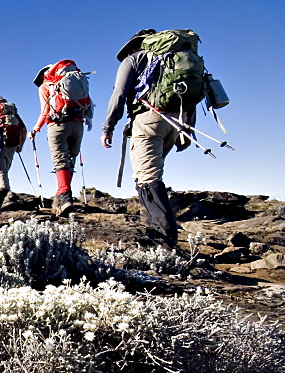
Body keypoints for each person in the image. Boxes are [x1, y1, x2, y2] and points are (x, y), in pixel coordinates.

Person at [101, 29, 192, 245]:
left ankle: (165, 238)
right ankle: (153, 227)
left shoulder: (133, 59)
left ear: (134, 45)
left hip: (148, 120)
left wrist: (108, 127)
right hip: (178, 120)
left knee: (147, 177)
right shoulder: (175, 59)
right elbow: (189, 94)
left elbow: (120, 94)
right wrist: (187, 129)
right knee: (152, 173)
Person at [31, 61, 92, 217]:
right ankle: (61, 196)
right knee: (70, 159)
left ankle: (65, 197)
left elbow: (45, 111)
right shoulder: (75, 80)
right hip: (78, 125)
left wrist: (35, 129)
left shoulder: (45, 86)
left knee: (60, 160)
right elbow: (88, 102)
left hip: (57, 125)